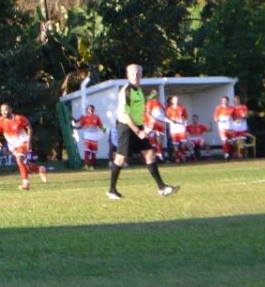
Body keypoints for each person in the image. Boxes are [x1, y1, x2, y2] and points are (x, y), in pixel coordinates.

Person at [108, 65, 177, 199]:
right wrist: (137, 131)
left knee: (150, 153)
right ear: (127, 75)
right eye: (133, 74)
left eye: (138, 74)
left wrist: (143, 126)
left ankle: (162, 187)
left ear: (141, 75)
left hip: (137, 126)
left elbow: (139, 112)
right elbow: (126, 115)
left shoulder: (138, 90)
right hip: (126, 127)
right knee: (121, 158)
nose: (136, 76)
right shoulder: (126, 91)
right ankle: (111, 190)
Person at [0, 103, 48, 191]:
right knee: (27, 165)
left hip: (23, 142)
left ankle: (26, 184)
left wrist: (29, 141)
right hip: (13, 146)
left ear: (10, 109)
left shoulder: (19, 118)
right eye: (2, 111)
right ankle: (40, 170)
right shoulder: (0, 121)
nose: (4, 112)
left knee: (19, 159)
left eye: (6, 110)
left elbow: (29, 128)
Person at [74, 105, 105, 171]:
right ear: (87, 110)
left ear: (93, 110)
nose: (90, 110)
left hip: (94, 137)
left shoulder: (96, 117)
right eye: (89, 109)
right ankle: (86, 165)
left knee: (93, 152)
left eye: (91, 109)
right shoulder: (84, 117)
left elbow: (100, 125)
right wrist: (75, 128)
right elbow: (81, 126)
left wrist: (103, 129)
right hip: (87, 136)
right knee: (87, 151)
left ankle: (92, 166)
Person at [165, 95, 188, 163]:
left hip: (181, 128)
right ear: (172, 101)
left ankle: (183, 155)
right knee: (175, 144)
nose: (176, 100)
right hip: (174, 129)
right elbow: (165, 118)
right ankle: (177, 158)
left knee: (183, 143)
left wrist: (185, 126)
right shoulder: (169, 109)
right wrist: (171, 121)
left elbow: (185, 118)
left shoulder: (182, 108)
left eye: (177, 99)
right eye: (174, 99)